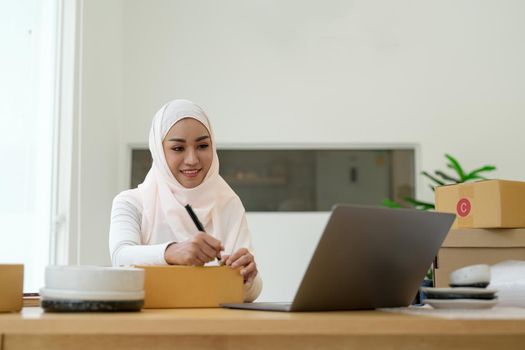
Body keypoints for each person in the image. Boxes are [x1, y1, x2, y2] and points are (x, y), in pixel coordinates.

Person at [109, 99, 262, 302]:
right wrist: (172, 252)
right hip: (149, 327)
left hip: (214, 328)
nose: (192, 159)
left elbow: (249, 294)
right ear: (159, 151)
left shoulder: (228, 203)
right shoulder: (131, 203)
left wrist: (248, 277)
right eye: (178, 148)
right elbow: (120, 258)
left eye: (202, 146)